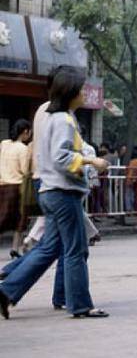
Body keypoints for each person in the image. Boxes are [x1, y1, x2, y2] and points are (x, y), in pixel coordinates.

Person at [0, 66, 110, 319]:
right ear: (71, 92)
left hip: (50, 190)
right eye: (81, 89)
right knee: (76, 249)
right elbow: (62, 156)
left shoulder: (47, 115)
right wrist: (92, 162)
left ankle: (7, 290)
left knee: (49, 248)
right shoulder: (63, 119)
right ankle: (80, 304)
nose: (84, 92)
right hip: (62, 191)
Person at [0, 119, 32, 255]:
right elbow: (25, 171)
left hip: (2, 185)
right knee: (20, 218)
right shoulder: (23, 149)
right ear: (25, 131)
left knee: (2, 218)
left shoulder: (4, 144)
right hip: (17, 186)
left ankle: (14, 249)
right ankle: (14, 248)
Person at [125, 147, 137, 213]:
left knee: (128, 195)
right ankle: (136, 209)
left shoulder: (129, 162)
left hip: (129, 179)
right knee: (136, 195)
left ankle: (129, 209)